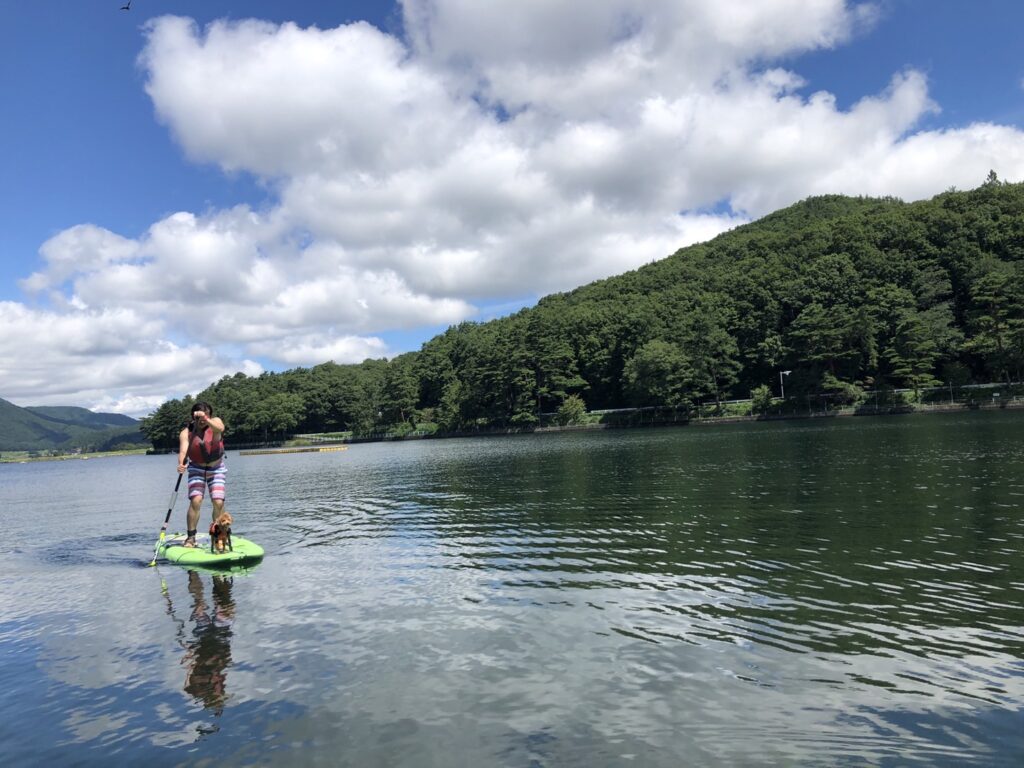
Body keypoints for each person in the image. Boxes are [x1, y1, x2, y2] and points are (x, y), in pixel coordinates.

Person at [178, 401, 227, 548]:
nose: (201, 422)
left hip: (216, 468)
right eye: (198, 419)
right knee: (196, 500)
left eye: (205, 417)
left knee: (218, 502)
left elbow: (220, 428)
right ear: (193, 418)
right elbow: (183, 451)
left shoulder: (215, 422)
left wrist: (206, 419)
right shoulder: (186, 433)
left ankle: (219, 534)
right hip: (196, 469)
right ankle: (191, 537)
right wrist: (181, 463)